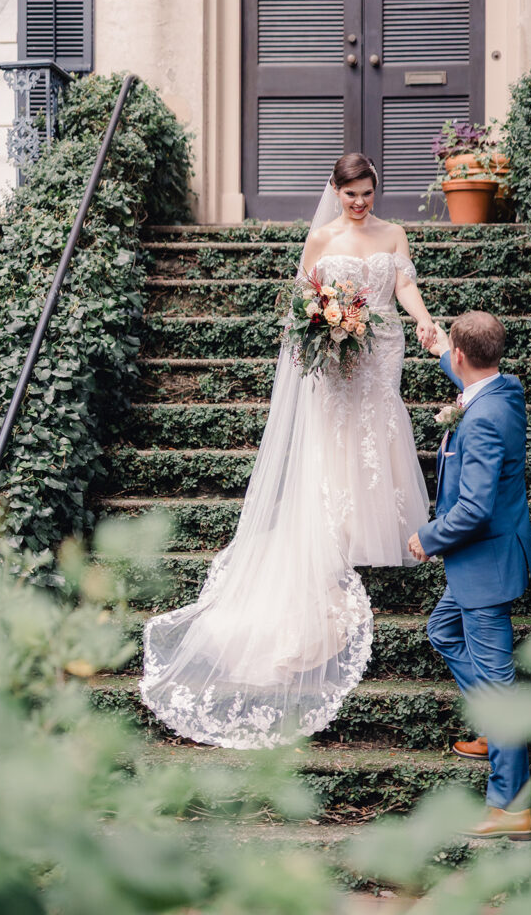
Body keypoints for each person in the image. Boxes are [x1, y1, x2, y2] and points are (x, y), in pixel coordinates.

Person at [140, 153, 432, 748]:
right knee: (338, 433)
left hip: (383, 347)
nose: (360, 202)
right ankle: (339, 528)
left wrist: (425, 322)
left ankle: (383, 524)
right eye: (350, 193)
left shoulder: (393, 233)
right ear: (335, 191)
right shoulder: (321, 237)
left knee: (379, 428)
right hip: (336, 351)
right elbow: (305, 303)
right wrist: (321, 332)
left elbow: (402, 283)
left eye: (367, 192)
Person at [408, 311, 531, 840]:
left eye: (452, 354)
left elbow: (475, 508)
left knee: (499, 686)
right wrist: (439, 343)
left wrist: (429, 537)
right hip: (486, 561)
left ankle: (510, 806)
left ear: (465, 356)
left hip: (484, 563)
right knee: (443, 630)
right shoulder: (503, 390)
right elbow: (469, 376)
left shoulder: (482, 418)